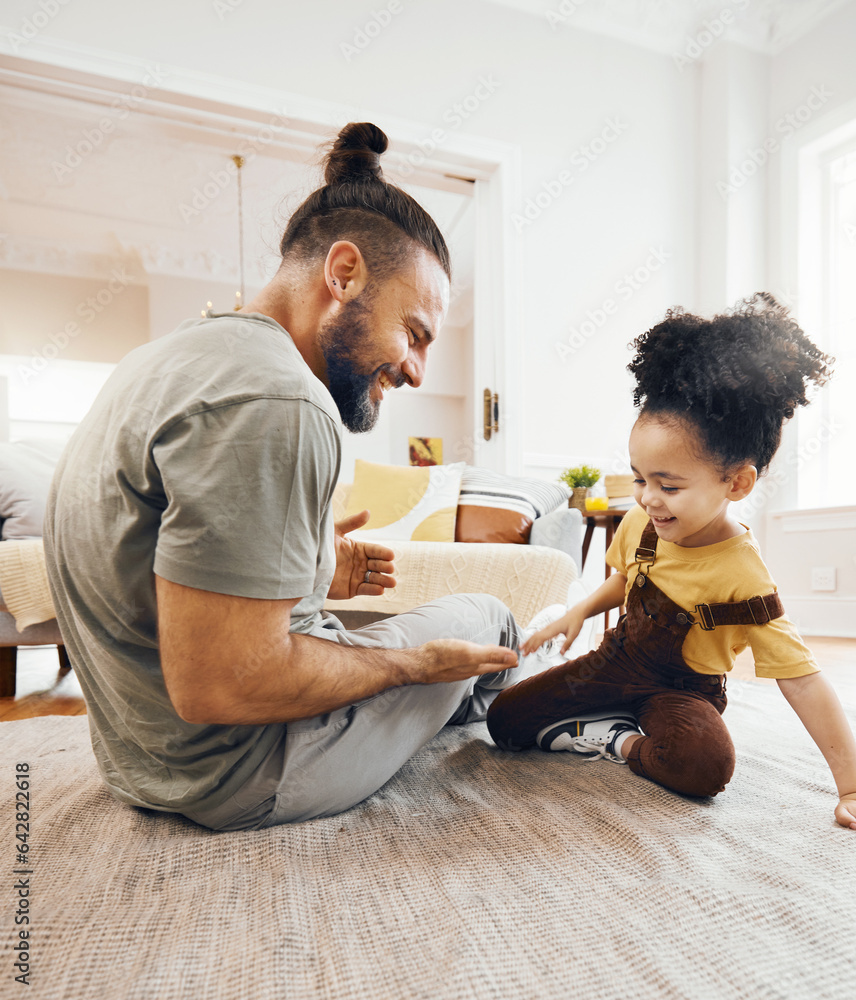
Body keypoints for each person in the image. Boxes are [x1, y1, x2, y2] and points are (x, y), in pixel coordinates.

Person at [44, 122, 523, 832]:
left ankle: (422, 715)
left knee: (399, 634)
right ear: (344, 273)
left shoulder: (158, 361)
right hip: (243, 769)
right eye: (416, 332)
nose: (418, 370)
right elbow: (221, 685)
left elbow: (154, 573)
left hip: (138, 758)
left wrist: (307, 568)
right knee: (489, 616)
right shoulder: (281, 401)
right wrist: (412, 667)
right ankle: (480, 730)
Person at [487, 294, 856, 843]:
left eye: (668, 485)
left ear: (737, 483)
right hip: (614, 661)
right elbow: (626, 580)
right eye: (639, 477)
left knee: (703, 767)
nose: (647, 498)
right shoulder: (643, 524)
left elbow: (803, 681)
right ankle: (602, 720)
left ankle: (614, 740)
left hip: (684, 690)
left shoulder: (744, 575)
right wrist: (576, 613)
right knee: (504, 722)